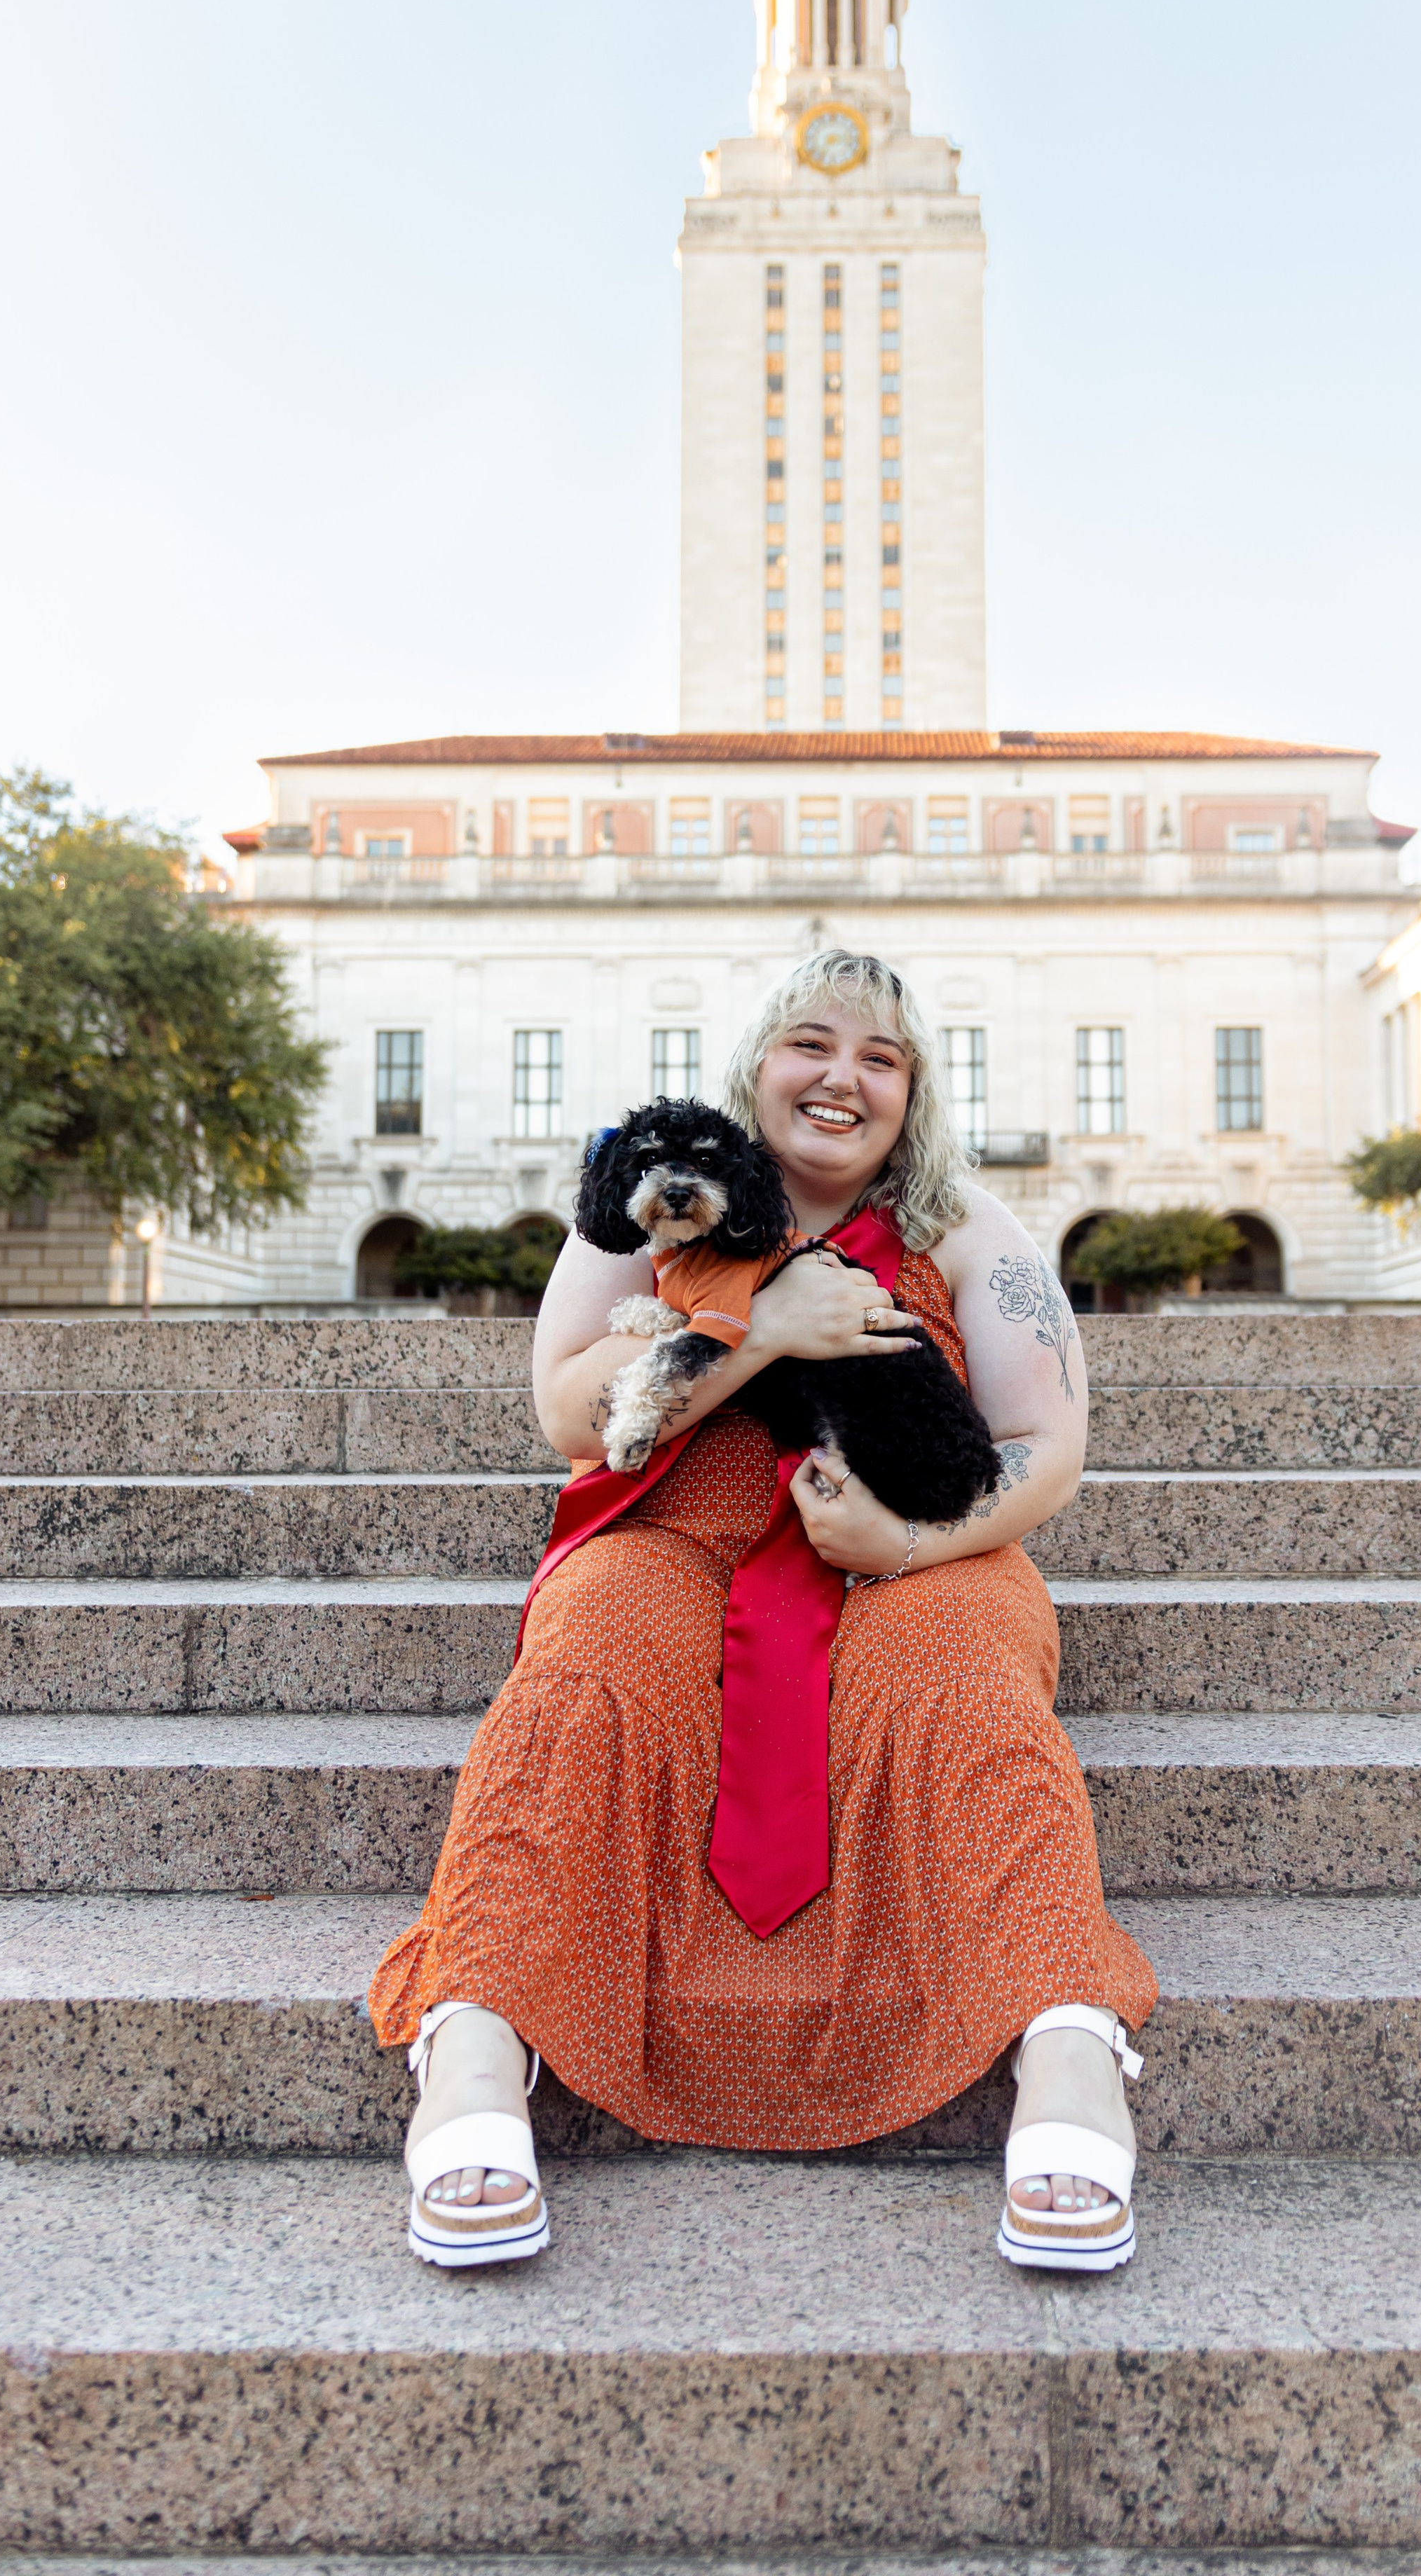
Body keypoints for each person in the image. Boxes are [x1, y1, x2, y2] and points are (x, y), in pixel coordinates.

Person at [370, 949, 1156, 2273]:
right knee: (593, 1659)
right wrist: (767, 1323)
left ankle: (1068, 2045)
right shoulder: (652, 1205)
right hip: (672, 1534)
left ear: (914, 1094)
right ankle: (479, 2035)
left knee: (964, 1676)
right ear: (756, 1063)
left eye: (882, 1057)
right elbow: (569, 1411)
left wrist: (904, 1542)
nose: (843, 1077)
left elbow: (1048, 1449)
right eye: (813, 1042)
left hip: (916, 1551)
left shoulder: (969, 1231)